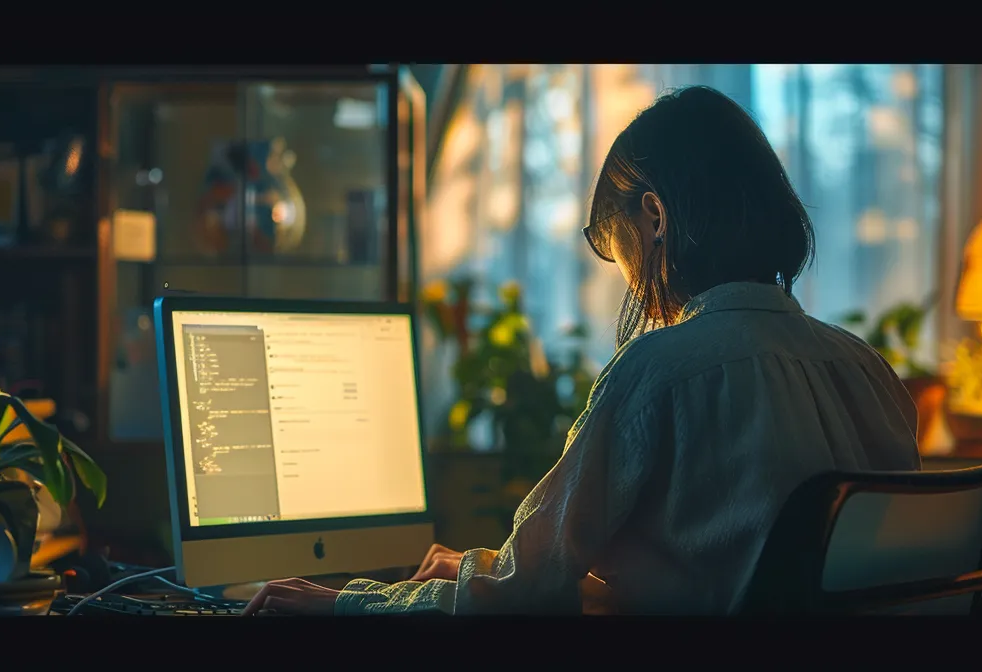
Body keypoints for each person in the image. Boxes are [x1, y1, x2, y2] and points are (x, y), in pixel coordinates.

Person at [242, 85, 920, 617]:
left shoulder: (661, 373)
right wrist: (495, 564)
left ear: (653, 216)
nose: (625, 272)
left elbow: (523, 597)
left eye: (617, 240)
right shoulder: (868, 371)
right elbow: (736, 575)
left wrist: (346, 603)